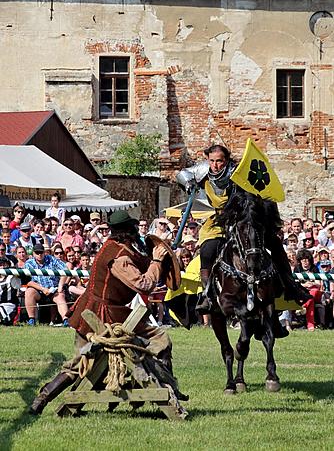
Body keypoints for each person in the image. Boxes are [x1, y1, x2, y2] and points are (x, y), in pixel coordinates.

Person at [29, 209, 185, 415]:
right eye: (133, 227)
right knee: (160, 339)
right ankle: (168, 391)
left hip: (93, 313)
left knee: (80, 362)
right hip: (106, 317)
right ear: (127, 230)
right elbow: (144, 284)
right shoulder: (119, 257)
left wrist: (163, 257)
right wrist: (157, 261)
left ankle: (44, 396)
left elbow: (142, 262)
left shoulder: (115, 247)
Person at [177, 144, 311, 315]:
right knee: (207, 251)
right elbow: (181, 174)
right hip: (218, 221)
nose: (216, 165)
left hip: (242, 219)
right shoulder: (203, 170)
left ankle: (290, 284)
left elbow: (258, 193)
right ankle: (207, 293)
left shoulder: (239, 174)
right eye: (212, 161)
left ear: (226, 159)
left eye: (220, 161)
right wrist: (189, 184)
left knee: (275, 244)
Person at [24, 244, 69, 326]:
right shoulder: (29, 263)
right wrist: (43, 289)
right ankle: (31, 319)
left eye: (41, 252)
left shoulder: (52, 259)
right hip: (38, 290)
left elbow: (65, 271)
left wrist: (60, 286)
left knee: (60, 296)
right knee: (29, 292)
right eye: (37, 253)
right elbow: (28, 281)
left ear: (44, 252)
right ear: (33, 253)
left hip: (53, 289)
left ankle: (65, 320)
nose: (39, 254)